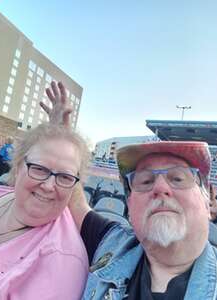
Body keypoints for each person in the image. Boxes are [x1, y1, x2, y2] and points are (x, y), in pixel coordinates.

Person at [43, 81, 217, 300]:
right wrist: (61, 136)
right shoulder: (113, 244)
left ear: (210, 200)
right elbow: (76, 203)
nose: (160, 187)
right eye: (145, 181)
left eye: (178, 178)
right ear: (130, 205)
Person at [0, 121, 89, 299]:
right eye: (39, 169)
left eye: (65, 177)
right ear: (19, 165)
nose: (49, 186)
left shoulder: (61, 265)